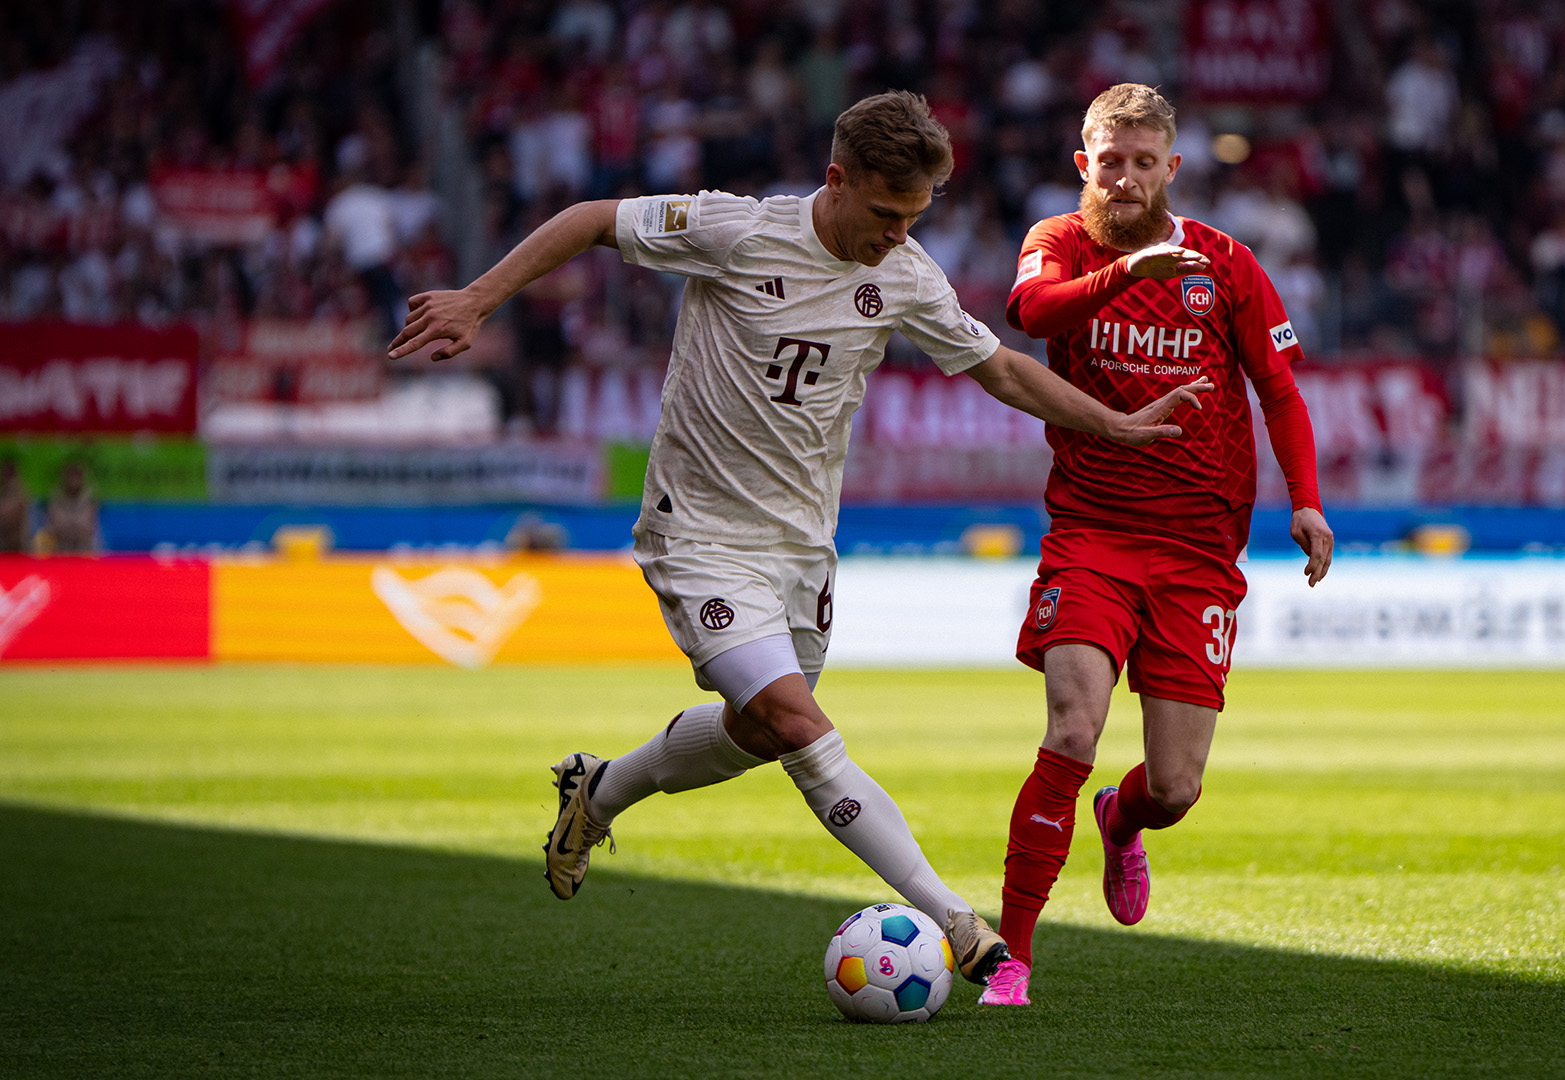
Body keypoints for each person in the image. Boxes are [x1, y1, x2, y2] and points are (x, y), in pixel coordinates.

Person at [386, 91, 1209, 989]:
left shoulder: (903, 273)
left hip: (801, 551)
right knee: (799, 723)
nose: (899, 235)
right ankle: (958, 922)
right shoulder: (737, 232)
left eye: (916, 218)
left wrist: (1116, 427)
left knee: (758, 731)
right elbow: (590, 219)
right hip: (698, 535)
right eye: (887, 214)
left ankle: (600, 790)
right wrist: (478, 298)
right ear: (837, 179)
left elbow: (1002, 368)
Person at [979, 84, 1334, 1006]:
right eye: (1111, 161)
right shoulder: (1058, 241)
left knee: (1174, 787)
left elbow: (1279, 390)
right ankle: (1009, 955)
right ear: (1083, 163)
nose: (1126, 177)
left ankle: (1120, 818)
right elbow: (1031, 316)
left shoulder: (1227, 263)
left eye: (1145, 162)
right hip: (1092, 534)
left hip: (1199, 550)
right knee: (1071, 728)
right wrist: (1126, 277)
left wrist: (1308, 499)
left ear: (1172, 167)